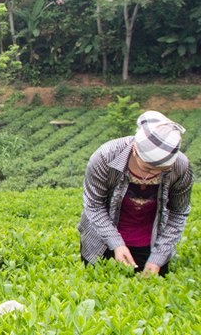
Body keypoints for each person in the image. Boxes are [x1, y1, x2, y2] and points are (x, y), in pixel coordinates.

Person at [78, 111, 192, 276]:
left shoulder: (181, 166)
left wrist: (159, 257)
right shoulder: (106, 157)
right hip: (101, 241)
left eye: (163, 170)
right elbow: (94, 205)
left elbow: (179, 212)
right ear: (134, 149)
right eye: (148, 168)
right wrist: (116, 244)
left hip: (151, 245)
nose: (154, 175)